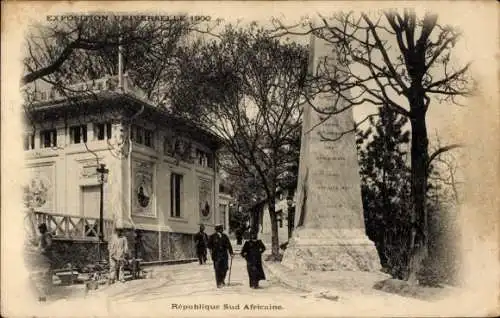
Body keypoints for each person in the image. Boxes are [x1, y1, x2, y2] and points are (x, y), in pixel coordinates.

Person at [27, 223, 54, 301]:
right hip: (43, 257)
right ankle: (47, 291)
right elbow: (41, 245)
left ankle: (48, 292)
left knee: (47, 274)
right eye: (39, 229)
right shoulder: (42, 236)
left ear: (43, 229)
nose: (39, 230)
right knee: (44, 275)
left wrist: (44, 249)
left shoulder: (47, 235)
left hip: (47, 257)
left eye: (40, 229)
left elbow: (49, 244)